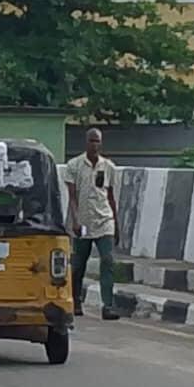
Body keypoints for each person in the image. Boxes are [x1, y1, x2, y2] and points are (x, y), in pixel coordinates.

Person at [65, 128, 120, 321]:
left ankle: (108, 305)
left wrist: (117, 222)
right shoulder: (74, 165)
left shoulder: (109, 167)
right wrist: (75, 220)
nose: (94, 145)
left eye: (97, 141)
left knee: (108, 260)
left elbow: (111, 197)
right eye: (91, 141)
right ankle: (76, 301)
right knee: (78, 264)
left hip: (104, 220)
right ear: (86, 142)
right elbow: (72, 197)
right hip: (83, 221)